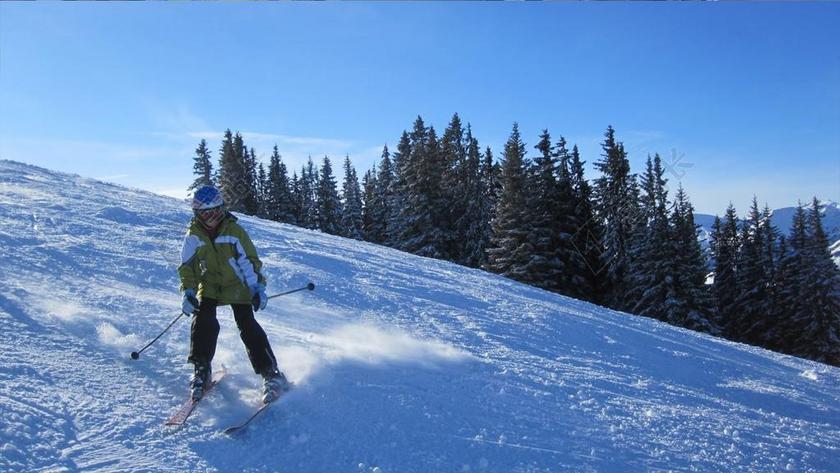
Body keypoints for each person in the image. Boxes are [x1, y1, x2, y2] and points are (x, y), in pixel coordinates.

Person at [178, 185, 289, 403]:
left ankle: (271, 373)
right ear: (197, 214)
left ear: (222, 210)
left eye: (215, 212)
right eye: (205, 214)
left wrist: (256, 287)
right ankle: (202, 369)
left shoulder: (234, 232)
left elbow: (249, 262)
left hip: (237, 284)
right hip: (209, 284)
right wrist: (189, 291)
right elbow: (187, 267)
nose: (211, 219)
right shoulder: (193, 235)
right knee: (203, 320)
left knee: (246, 324)